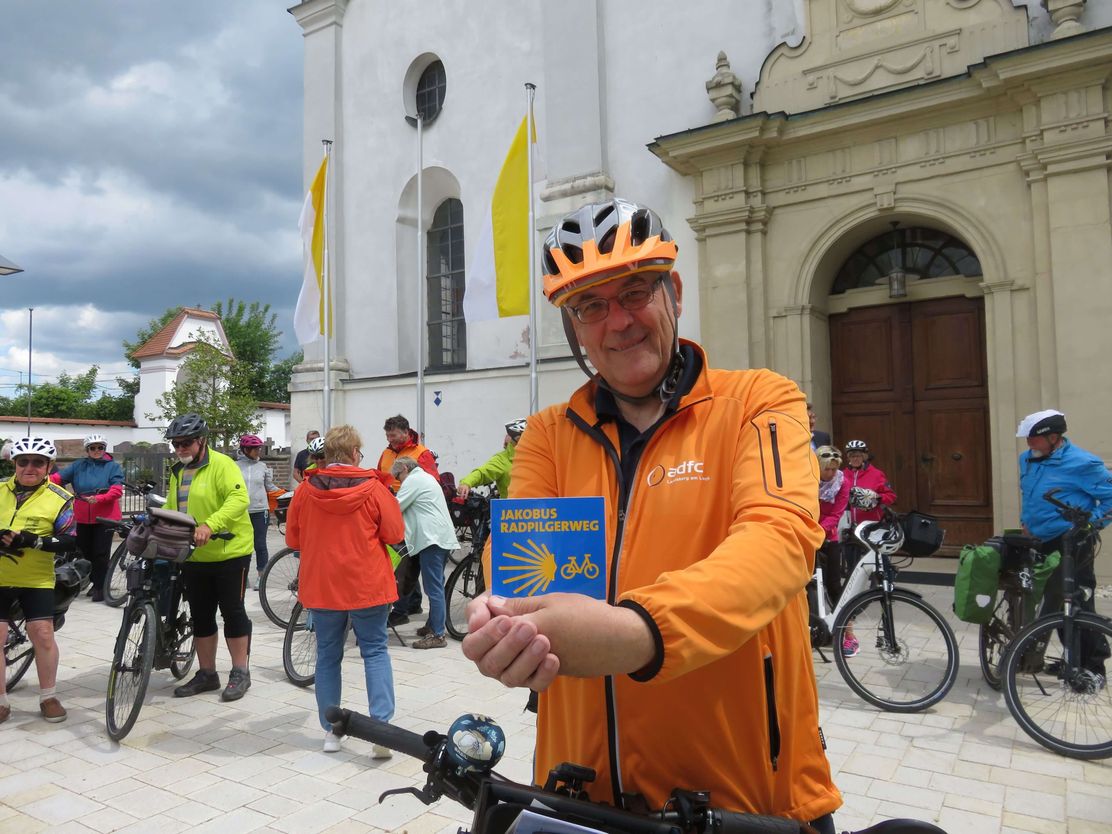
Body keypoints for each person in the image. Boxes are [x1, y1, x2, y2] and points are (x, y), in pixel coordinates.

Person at [462, 199, 840, 829]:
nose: (618, 322)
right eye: (590, 306)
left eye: (635, 292)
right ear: (575, 328)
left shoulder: (759, 401)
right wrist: (501, 618)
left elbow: (779, 542)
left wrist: (638, 631)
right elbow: (519, 561)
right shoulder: (548, 435)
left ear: (675, 294)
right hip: (579, 793)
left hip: (744, 799)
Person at [285, 424, 405, 754]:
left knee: (327, 655)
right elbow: (395, 534)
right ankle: (381, 731)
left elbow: (293, 539)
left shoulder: (306, 490)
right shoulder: (374, 488)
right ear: (354, 453)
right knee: (375, 651)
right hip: (367, 582)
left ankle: (332, 732)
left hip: (323, 584)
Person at [163, 413, 256, 701]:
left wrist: (210, 525)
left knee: (232, 611)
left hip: (230, 552)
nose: (180, 448)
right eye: (176, 444)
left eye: (186, 443)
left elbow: (239, 499)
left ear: (202, 441)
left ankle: (240, 672)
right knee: (201, 615)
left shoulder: (222, 464)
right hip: (195, 555)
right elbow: (173, 506)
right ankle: (207, 674)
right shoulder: (179, 471)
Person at [1017, 409, 1112, 681]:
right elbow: (1030, 496)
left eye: (1034, 438)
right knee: (1056, 602)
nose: (1029, 443)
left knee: (1078, 601)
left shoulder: (1082, 463)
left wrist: (1087, 525)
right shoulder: (1027, 459)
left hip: (1073, 542)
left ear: (1054, 437)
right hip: (1040, 541)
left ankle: (1093, 668)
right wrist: (1026, 521)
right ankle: (1072, 660)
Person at [0, 437, 77, 724]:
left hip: (36, 579)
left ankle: (48, 697)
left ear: (48, 466)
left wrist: (33, 541)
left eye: (37, 462)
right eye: (23, 462)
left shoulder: (60, 498)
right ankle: (1, 701)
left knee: (43, 634)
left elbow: (69, 540)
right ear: (14, 464)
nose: (29, 467)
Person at [390, 456, 459, 649]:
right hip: (439, 538)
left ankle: (438, 634)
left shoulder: (413, 480)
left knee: (433, 587)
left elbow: (395, 507)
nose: (398, 480)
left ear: (404, 468)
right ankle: (432, 625)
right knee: (437, 584)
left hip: (431, 539)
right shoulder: (426, 477)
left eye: (397, 476)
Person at [380, 415, 440, 623]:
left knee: (405, 559)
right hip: (393, 507)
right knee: (406, 558)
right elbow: (381, 478)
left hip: (411, 511)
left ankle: (402, 610)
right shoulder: (386, 453)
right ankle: (412, 603)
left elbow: (432, 482)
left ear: (406, 432)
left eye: (394, 435)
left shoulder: (421, 453)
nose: (390, 439)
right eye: (388, 436)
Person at [51, 433, 124, 602]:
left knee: (100, 553)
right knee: (84, 551)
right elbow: (57, 478)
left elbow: (117, 490)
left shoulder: (112, 467)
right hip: (83, 515)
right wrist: (39, 478)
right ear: (87, 450)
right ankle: (91, 580)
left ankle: (99, 587)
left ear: (104, 449)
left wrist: (99, 498)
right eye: (93, 448)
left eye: (100, 447)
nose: (96, 450)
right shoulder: (78, 465)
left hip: (105, 516)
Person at [816, 445, 856, 656]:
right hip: (807, 535)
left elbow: (837, 513)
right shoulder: (808, 480)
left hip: (828, 536)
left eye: (834, 469)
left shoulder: (843, 483)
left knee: (833, 585)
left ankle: (849, 635)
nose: (831, 473)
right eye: (827, 469)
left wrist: (818, 530)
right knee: (807, 586)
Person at [236, 434, 276, 590]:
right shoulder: (234, 466)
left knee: (260, 544)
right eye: (255, 449)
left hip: (260, 510)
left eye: (259, 448)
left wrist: (286, 493)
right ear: (245, 449)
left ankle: (262, 577)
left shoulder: (263, 466)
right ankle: (242, 576)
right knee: (240, 545)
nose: (258, 451)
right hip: (240, 511)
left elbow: (269, 487)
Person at [456, 418, 527, 500]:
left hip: (538, 507)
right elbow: (483, 473)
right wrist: (466, 483)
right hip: (511, 507)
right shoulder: (502, 460)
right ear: (519, 439)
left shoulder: (537, 457)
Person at [842, 439, 896, 526]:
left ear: (864, 457)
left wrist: (876, 498)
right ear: (848, 458)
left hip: (871, 524)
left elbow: (891, 496)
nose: (855, 459)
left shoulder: (876, 474)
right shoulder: (842, 475)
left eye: (858, 456)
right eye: (852, 456)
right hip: (847, 524)